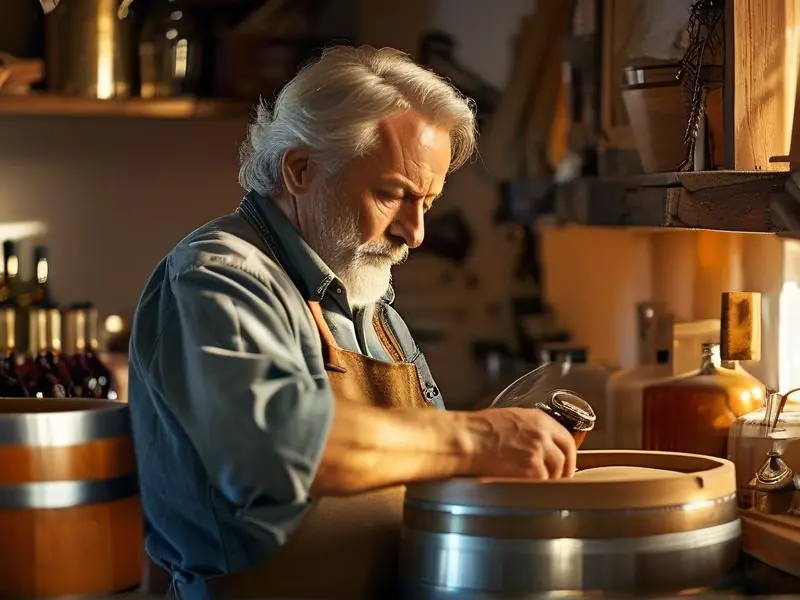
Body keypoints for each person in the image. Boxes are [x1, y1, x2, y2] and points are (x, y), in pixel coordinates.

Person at [128, 44, 577, 600]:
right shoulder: (221, 276)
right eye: (393, 195)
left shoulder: (367, 297)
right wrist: (479, 436)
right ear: (299, 169)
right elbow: (273, 449)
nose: (415, 233)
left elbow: (420, 465)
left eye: (428, 203)